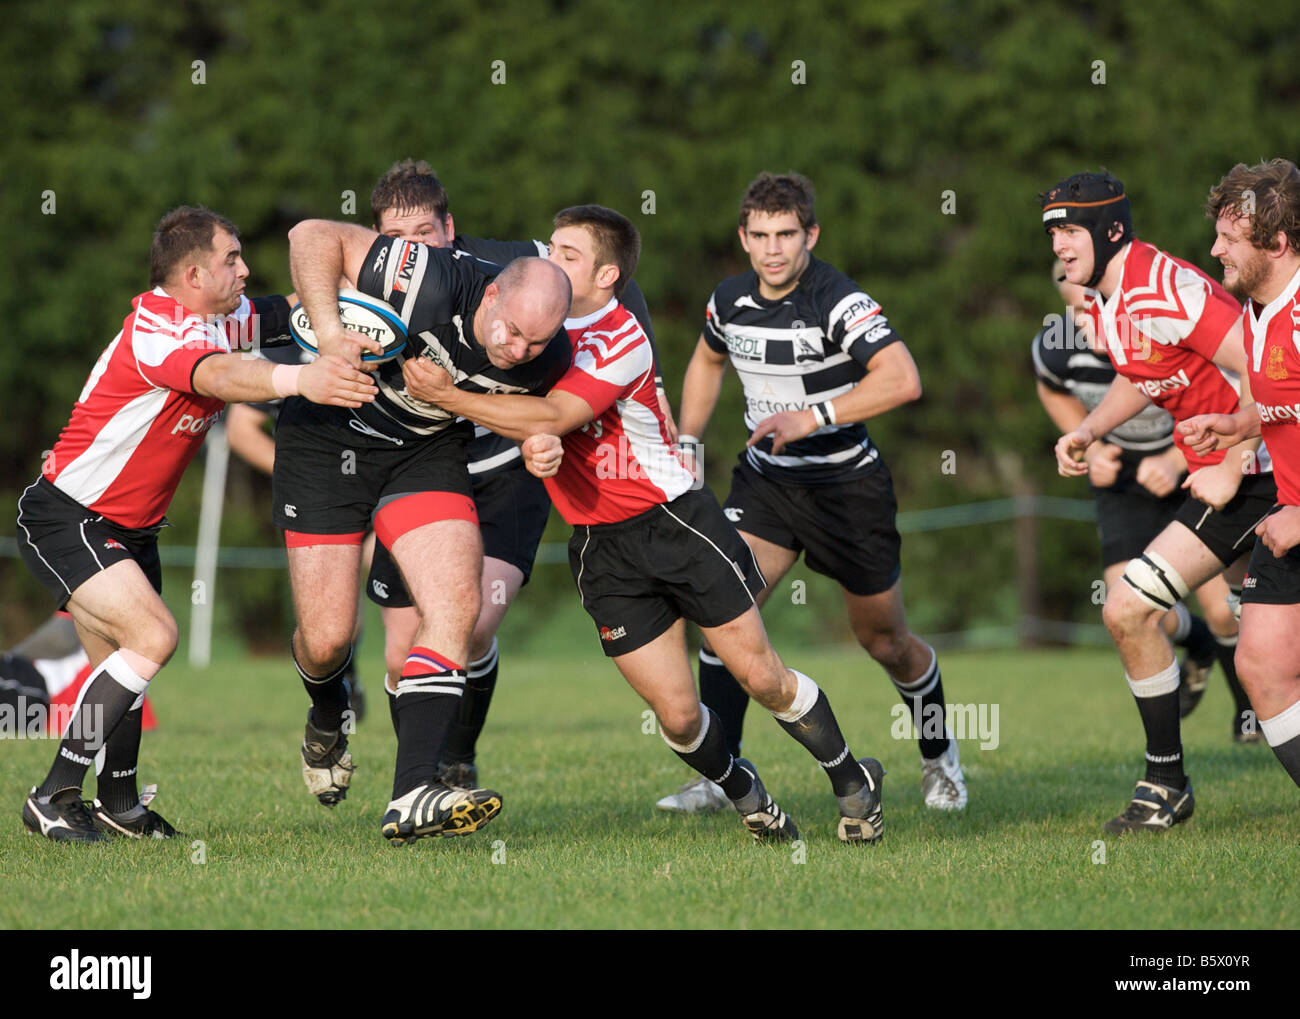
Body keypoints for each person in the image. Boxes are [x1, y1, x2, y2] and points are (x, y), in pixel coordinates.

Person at [404, 204, 887, 844]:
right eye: (550, 247)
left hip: (676, 524)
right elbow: (535, 427)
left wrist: (449, 397)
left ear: (606, 276)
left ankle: (853, 780)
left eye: (568, 255)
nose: (551, 259)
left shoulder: (620, 334)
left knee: (761, 677)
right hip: (601, 549)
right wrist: (535, 448)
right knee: (680, 716)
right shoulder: (530, 335)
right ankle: (750, 797)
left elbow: (555, 412)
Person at [17, 206, 376, 842]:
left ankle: (120, 804)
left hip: (130, 529)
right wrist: (302, 378)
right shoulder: (158, 327)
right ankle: (53, 794)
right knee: (154, 638)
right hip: (68, 516)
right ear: (191, 273)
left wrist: (376, 285)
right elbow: (219, 374)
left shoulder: (221, 315)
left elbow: (291, 305)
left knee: (125, 670)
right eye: (231, 259)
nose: (245, 268)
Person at [655, 172, 966, 815]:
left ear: (811, 236)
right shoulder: (728, 300)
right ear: (743, 238)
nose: (774, 249)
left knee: (886, 642)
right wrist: (688, 439)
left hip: (847, 489)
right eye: (761, 235)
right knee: (721, 617)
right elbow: (708, 360)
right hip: (766, 484)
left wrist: (815, 416)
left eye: (787, 235)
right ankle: (721, 776)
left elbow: (902, 378)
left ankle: (940, 760)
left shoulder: (837, 299)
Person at [360, 160, 670, 787]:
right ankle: (415, 779)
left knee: (472, 625)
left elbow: (609, 285)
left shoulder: (509, 266)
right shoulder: (376, 284)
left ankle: (452, 763)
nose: (410, 251)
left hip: (505, 468)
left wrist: (629, 377)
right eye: (395, 239)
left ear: (451, 229)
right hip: (420, 468)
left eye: (424, 234)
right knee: (400, 652)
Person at [279, 216, 572, 843]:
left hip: (423, 454)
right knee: (329, 639)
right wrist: (331, 334)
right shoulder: (432, 281)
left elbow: (540, 413)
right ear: (492, 295)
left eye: (535, 343)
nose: (518, 350)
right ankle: (327, 713)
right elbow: (309, 235)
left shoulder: (553, 352)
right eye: (513, 331)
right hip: (328, 444)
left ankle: (413, 791)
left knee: (457, 605)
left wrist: (541, 442)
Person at [1047, 171, 1276, 833]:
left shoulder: (1161, 287)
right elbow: (1147, 373)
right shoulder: (1115, 299)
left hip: (1259, 471)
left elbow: (1266, 359)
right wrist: (1090, 429)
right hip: (1233, 472)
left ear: (1110, 229)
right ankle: (1167, 783)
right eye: (1053, 233)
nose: (1059, 246)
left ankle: (1166, 782)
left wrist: (1233, 460)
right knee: (1157, 613)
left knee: (1140, 610)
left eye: (1070, 230)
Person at [1032, 263, 1250, 736]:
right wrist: (1090, 445)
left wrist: (1174, 459)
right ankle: (1200, 649)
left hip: (1192, 465)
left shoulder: (1157, 325)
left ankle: (1248, 716)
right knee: (1128, 607)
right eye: (1076, 312)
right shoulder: (1058, 346)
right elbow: (1050, 390)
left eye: (1094, 305)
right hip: (1124, 484)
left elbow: (1222, 393)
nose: (1088, 323)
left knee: (1222, 610)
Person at [1181, 158, 1300, 790]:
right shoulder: (1255, 310)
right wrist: (1238, 426)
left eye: (1230, 239)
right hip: (1290, 516)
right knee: (1260, 665)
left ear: (1277, 244)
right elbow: (1288, 398)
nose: (1214, 249)